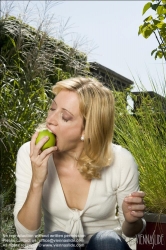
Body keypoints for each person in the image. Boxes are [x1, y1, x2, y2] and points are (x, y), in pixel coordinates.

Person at [14, 77, 146, 250]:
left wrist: (132, 220)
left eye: (65, 117)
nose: (50, 120)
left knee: (107, 241)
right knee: (57, 242)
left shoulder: (121, 160)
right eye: (52, 108)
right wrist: (37, 181)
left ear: (87, 129)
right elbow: (25, 236)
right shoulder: (30, 153)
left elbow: (130, 232)